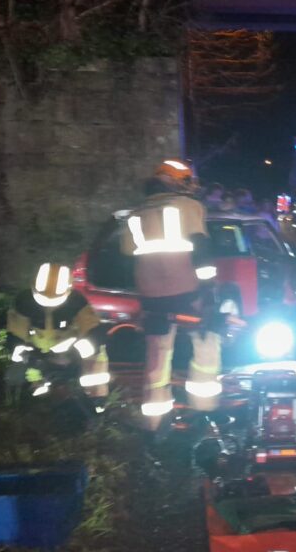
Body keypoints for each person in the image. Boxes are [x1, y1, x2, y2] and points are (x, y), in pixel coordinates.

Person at [121, 159, 222, 432]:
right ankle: (203, 409)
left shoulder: (136, 214)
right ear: (174, 180)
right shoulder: (189, 207)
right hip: (186, 292)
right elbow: (201, 251)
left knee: (157, 354)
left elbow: (128, 252)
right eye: (187, 180)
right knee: (206, 342)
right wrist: (208, 291)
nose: (191, 186)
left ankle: (155, 421)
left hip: (151, 296)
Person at [5, 262, 108, 405]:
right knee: (20, 374)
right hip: (38, 352)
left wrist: (83, 348)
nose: (48, 303)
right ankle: (29, 398)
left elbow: (92, 327)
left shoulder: (76, 302)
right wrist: (19, 349)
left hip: (70, 350)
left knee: (96, 362)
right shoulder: (24, 301)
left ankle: (97, 401)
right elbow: (16, 330)